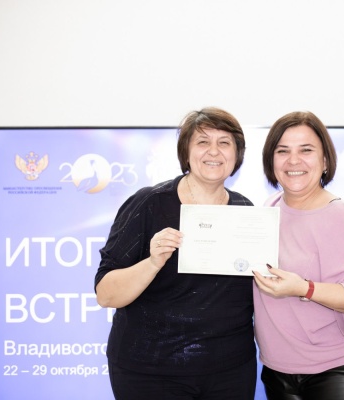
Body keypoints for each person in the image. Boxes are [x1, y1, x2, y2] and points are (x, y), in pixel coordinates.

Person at [95, 107, 257, 400]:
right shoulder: (149, 204)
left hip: (230, 372)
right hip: (149, 373)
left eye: (224, 142)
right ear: (186, 152)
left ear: (237, 154)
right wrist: (153, 262)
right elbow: (106, 295)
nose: (214, 151)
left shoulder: (246, 212)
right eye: (203, 141)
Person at [252, 111, 344, 400]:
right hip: (279, 370)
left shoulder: (342, 215)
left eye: (306, 150)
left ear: (326, 161)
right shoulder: (269, 208)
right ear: (271, 160)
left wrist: (304, 288)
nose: (293, 161)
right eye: (283, 151)